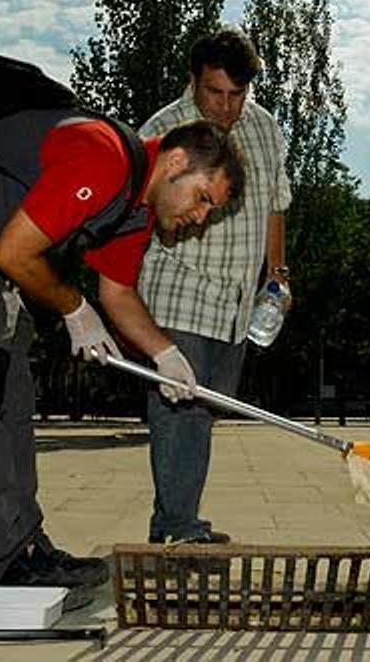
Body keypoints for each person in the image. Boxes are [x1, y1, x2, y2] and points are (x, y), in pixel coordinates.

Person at [0, 110, 245, 593]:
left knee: (13, 395)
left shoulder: (135, 213)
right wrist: (74, 308)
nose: (199, 218)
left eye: (210, 211)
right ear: (175, 160)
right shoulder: (105, 157)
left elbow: (118, 296)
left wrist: (167, 355)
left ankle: (26, 545)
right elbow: (14, 253)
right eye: (202, 198)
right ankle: (7, 560)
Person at [138, 28, 292, 545]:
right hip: (175, 289)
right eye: (214, 93)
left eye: (236, 95)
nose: (225, 107)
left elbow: (276, 204)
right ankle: (179, 527)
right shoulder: (161, 130)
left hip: (235, 304)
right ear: (194, 81)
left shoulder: (267, 129)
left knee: (201, 413)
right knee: (178, 409)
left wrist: (277, 275)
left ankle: (175, 520)